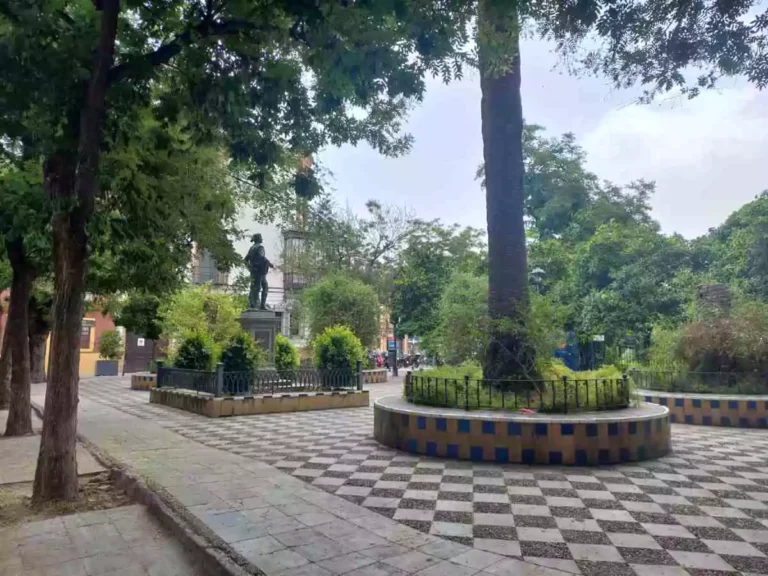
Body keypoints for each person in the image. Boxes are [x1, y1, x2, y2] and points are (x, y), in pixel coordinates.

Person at [244, 234, 274, 309]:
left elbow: (245, 260)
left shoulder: (251, 248)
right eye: (261, 238)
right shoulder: (260, 247)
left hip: (253, 271)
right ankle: (261, 305)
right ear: (258, 239)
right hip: (260, 271)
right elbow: (262, 258)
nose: (262, 239)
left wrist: (249, 268)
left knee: (254, 287)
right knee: (263, 287)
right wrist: (270, 264)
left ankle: (253, 304)